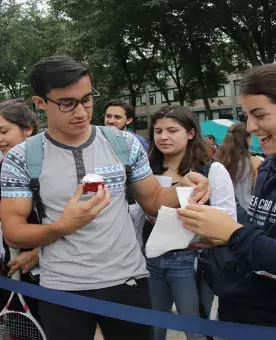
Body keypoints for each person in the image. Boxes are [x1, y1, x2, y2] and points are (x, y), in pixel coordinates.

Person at [0, 56, 209, 340]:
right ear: (40, 103)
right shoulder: (22, 157)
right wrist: (63, 226)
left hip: (128, 282)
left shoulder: (123, 143)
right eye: (67, 102)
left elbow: (153, 200)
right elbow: (13, 233)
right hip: (62, 289)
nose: (82, 111)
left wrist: (186, 186)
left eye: (87, 99)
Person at [178, 63, 276, 330]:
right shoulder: (267, 166)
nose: (250, 127)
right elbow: (262, 237)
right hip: (235, 314)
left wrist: (233, 233)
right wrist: (218, 236)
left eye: (260, 115)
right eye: (246, 115)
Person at [144, 105, 236, 340]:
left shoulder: (212, 169)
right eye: (158, 131)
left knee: (196, 330)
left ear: (191, 133)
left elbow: (228, 217)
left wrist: (194, 228)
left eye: (172, 130)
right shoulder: (146, 170)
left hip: (192, 261)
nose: (163, 137)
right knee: (152, 328)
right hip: (150, 260)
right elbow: (136, 211)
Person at [0, 99, 40, 320]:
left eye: (4, 131)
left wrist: (39, 254)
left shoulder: (48, 166)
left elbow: (71, 222)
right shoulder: (3, 166)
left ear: (28, 129)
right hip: (12, 263)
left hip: (53, 271)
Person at [215, 122, 262, 217]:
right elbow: (258, 191)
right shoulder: (255, 162)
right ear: (247, 139)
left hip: (222, 213)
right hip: (248, 212)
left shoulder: (217, 160)